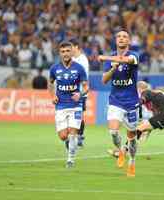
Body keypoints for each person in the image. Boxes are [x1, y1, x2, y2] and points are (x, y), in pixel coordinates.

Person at [98, 29, 140, 177]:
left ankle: (132, 162)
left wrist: (105, 57)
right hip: (115, 101)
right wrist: (113, 66)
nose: (122, 39)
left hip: (132, 102)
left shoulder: (134, 55)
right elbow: (104, 80)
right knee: (114, 132)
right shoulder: (111, 59)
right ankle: (121, 150)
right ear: (116, 40)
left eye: (125, 37)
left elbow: (128, 60)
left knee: (132, 137)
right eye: (119, 37)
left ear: (128, 41)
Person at [48, 41, 88, 168]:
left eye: (67, 51)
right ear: (60, 53)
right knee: (63, 136)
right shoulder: (55, 68)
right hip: (61, 105)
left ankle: (70, 159)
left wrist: (80, 94)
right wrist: (53, 95)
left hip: (76, 105)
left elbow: (87, 87)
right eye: (63, 52)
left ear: (72, 52)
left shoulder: (79, 68)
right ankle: (72, 143)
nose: (65, 54)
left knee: (72, 133)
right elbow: (50, 83)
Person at [69, 38, 90, 147]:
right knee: (70, 114)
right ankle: (74, 136)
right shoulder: (70, 59)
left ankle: (80, 136)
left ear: (76, 47)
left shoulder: (83, 60)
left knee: (78, 115)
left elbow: (83, 77)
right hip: (70, 92)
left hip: (81, 92)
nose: (69, 50)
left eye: (71, 47)